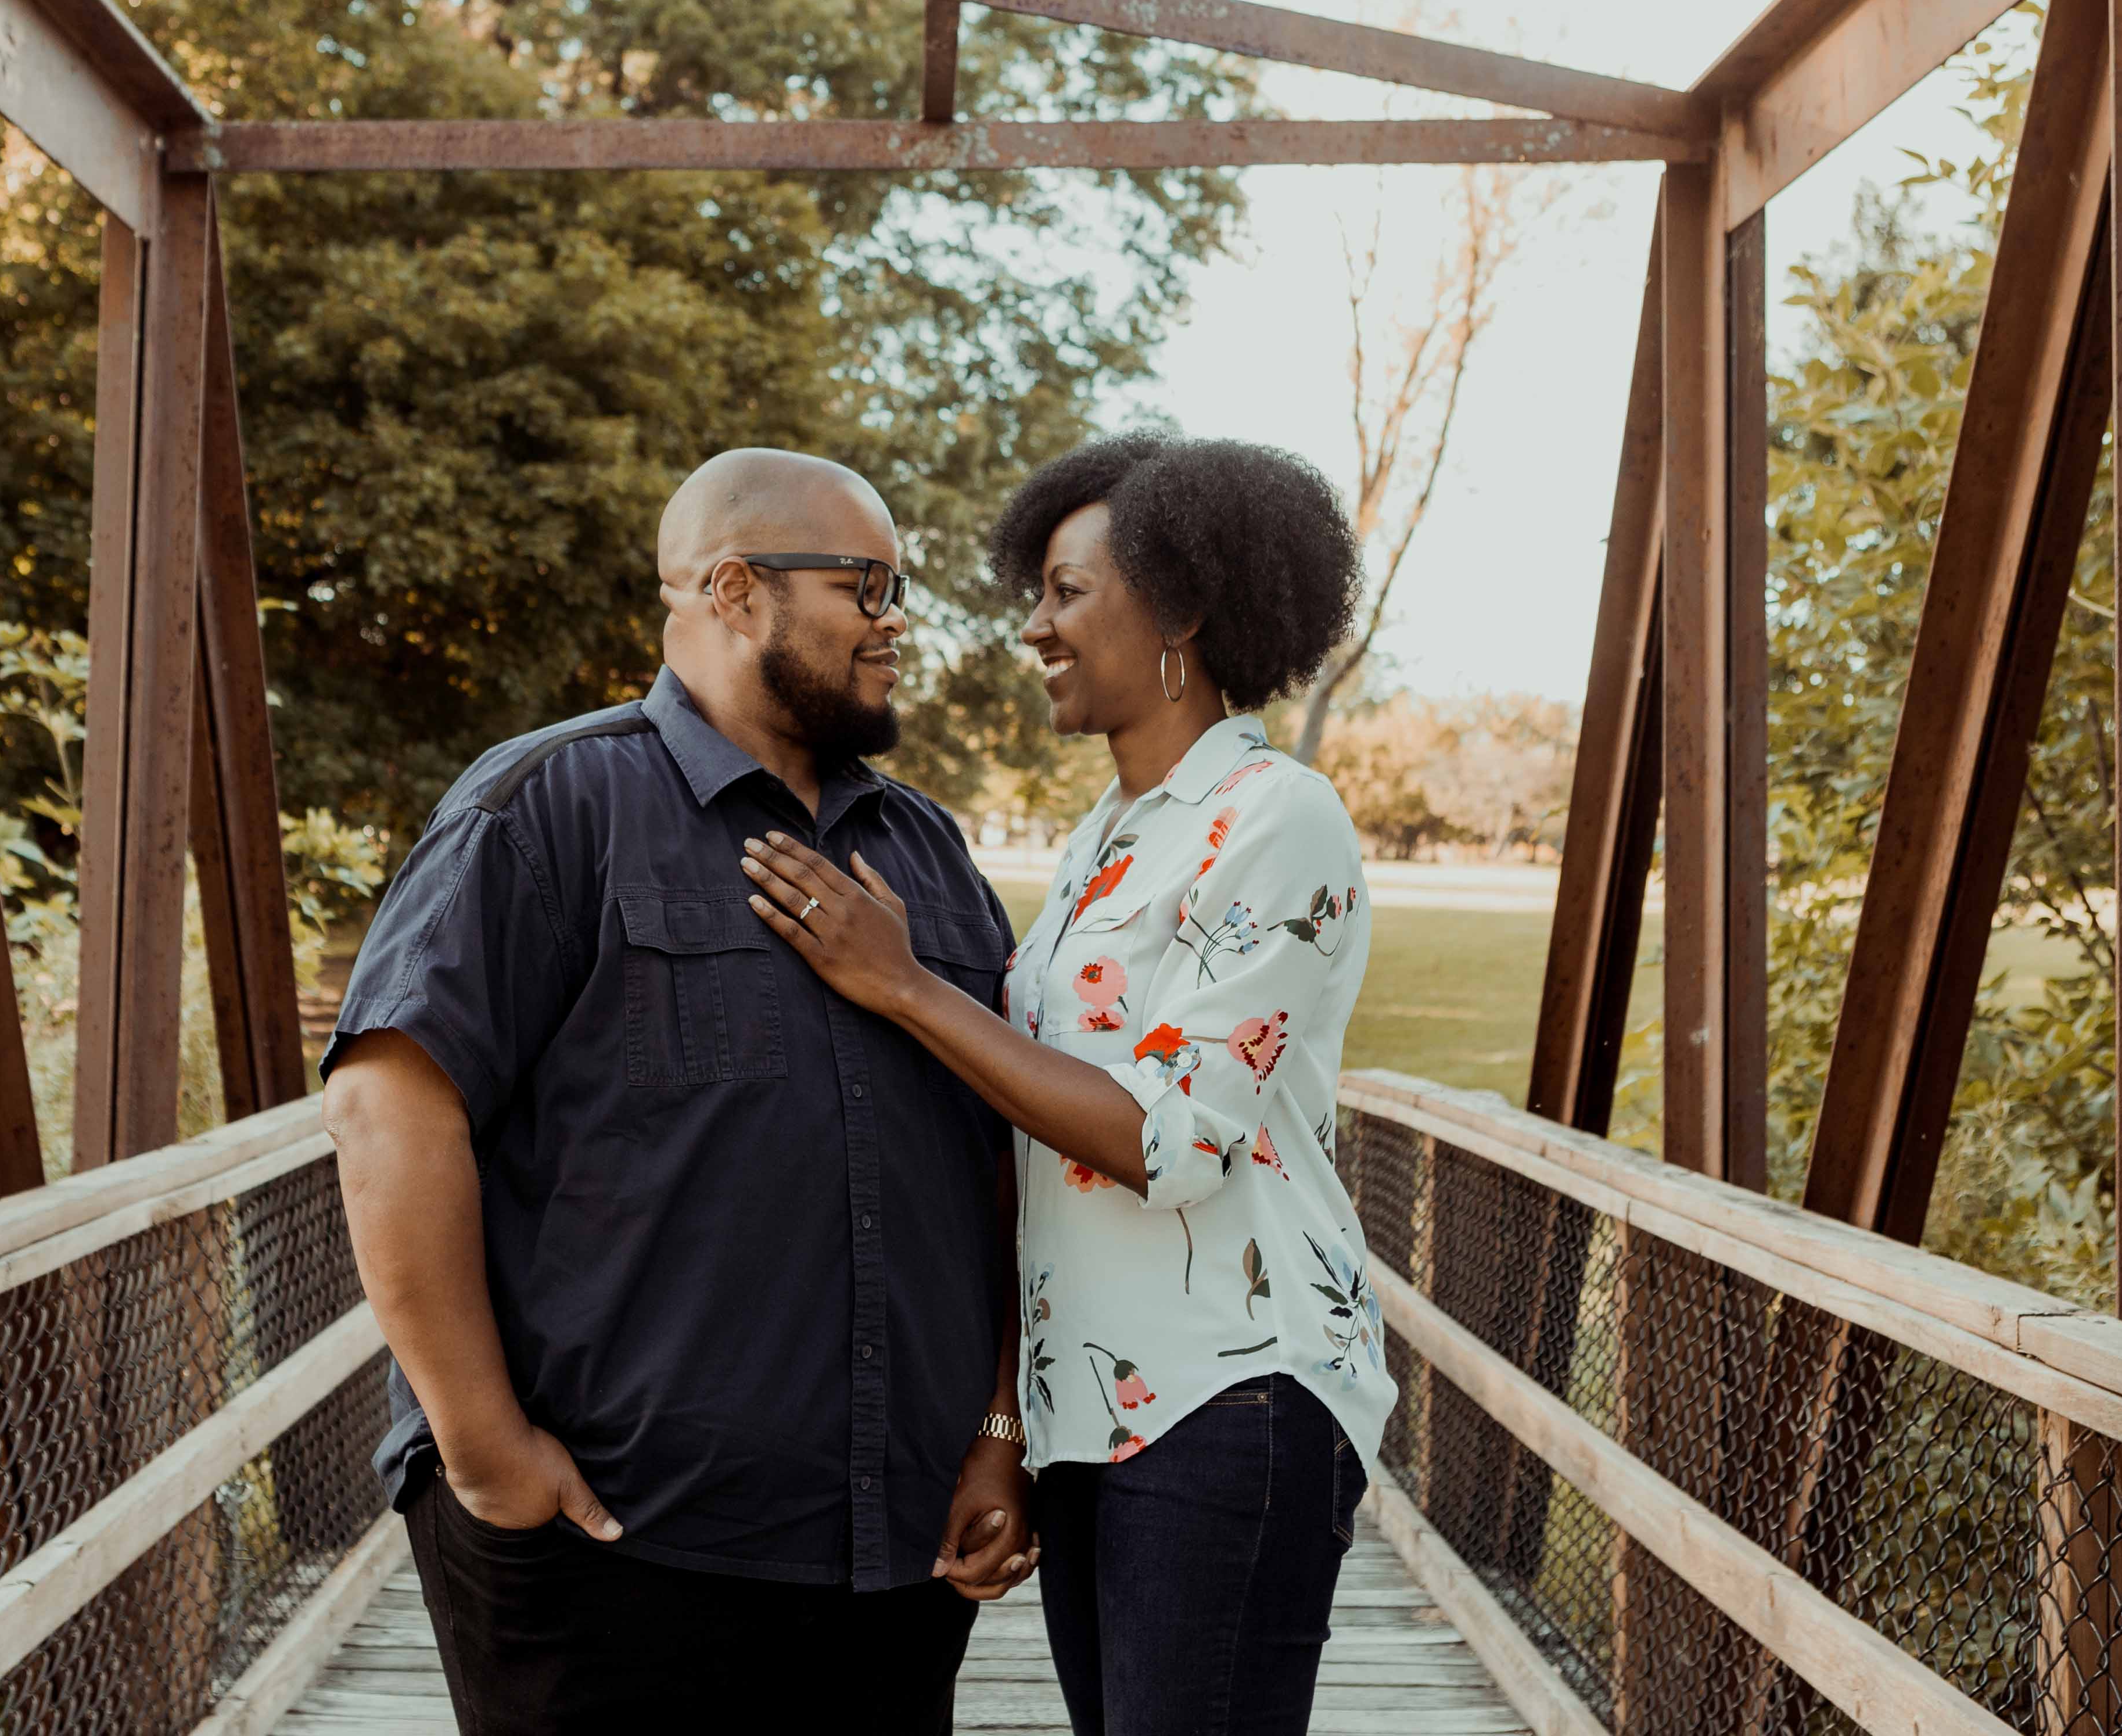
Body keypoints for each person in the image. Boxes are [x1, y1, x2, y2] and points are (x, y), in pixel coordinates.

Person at [320, 449, 1033, 1736]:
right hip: (610, 1543)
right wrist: (483, 1448)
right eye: (867, 583)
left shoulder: (925, 849)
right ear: (735, 589)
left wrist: (996, 1423)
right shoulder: (544, 807)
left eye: (898, 586)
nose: (895, 621)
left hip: (891, 1556)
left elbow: (995, 1157)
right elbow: (388, 1110)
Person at [739, 433, 1398, 1736]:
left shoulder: (1277, 815)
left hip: (1232, 1392)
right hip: (1093, 1411)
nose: (1030, 625)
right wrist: (1007, 1422)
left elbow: (1172, 1141)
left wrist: (909, 986)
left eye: (1064, 590)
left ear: (1185, 609)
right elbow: (1036, 1163)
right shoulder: (1106, 838)